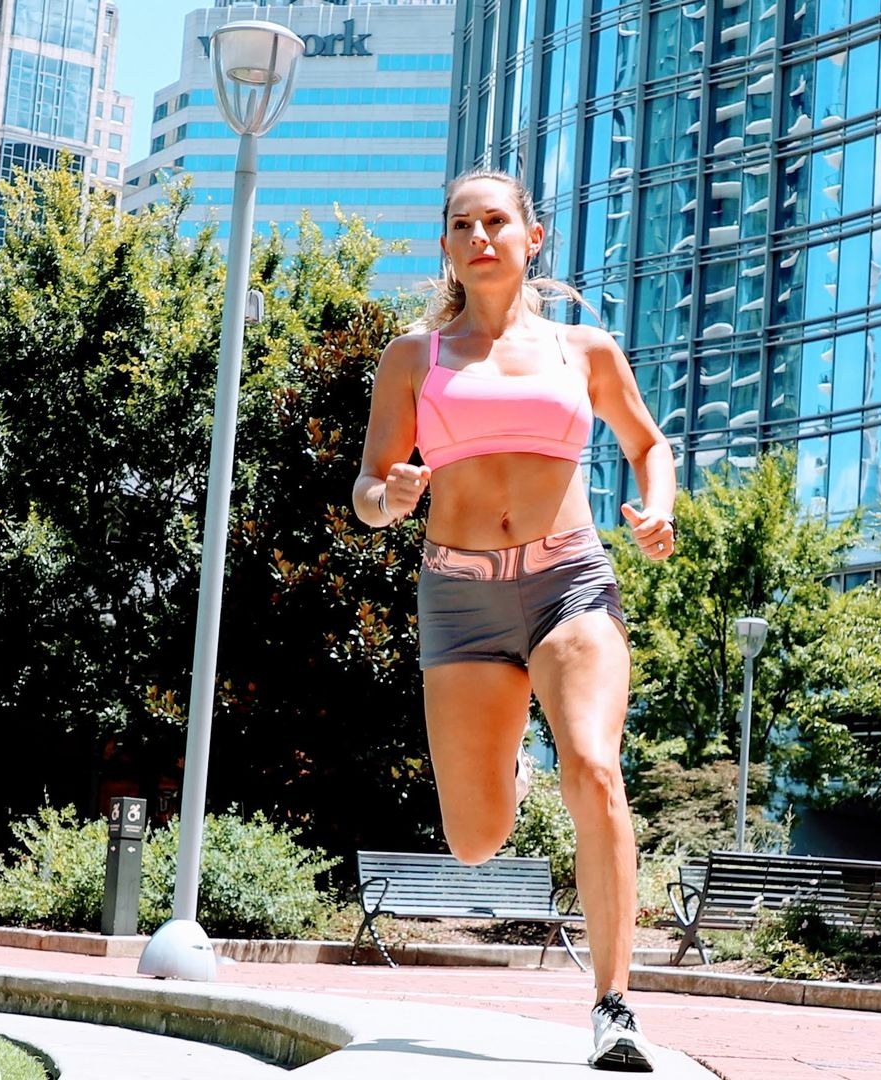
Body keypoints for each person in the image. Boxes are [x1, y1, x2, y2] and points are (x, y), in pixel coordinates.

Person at [352, 164, 676, 1072]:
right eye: (463, 225)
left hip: (570, 580)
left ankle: (615, 1006)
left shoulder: (586, 351)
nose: (481, 236)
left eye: (498, 221)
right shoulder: (413, 357)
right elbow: (368, 491)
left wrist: (660, 507)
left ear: (533, 238)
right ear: (448, 247)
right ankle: (519, 767)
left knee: (598, 765)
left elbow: (649, 445)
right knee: (475, 837)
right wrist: (396, 494)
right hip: (458, 595)